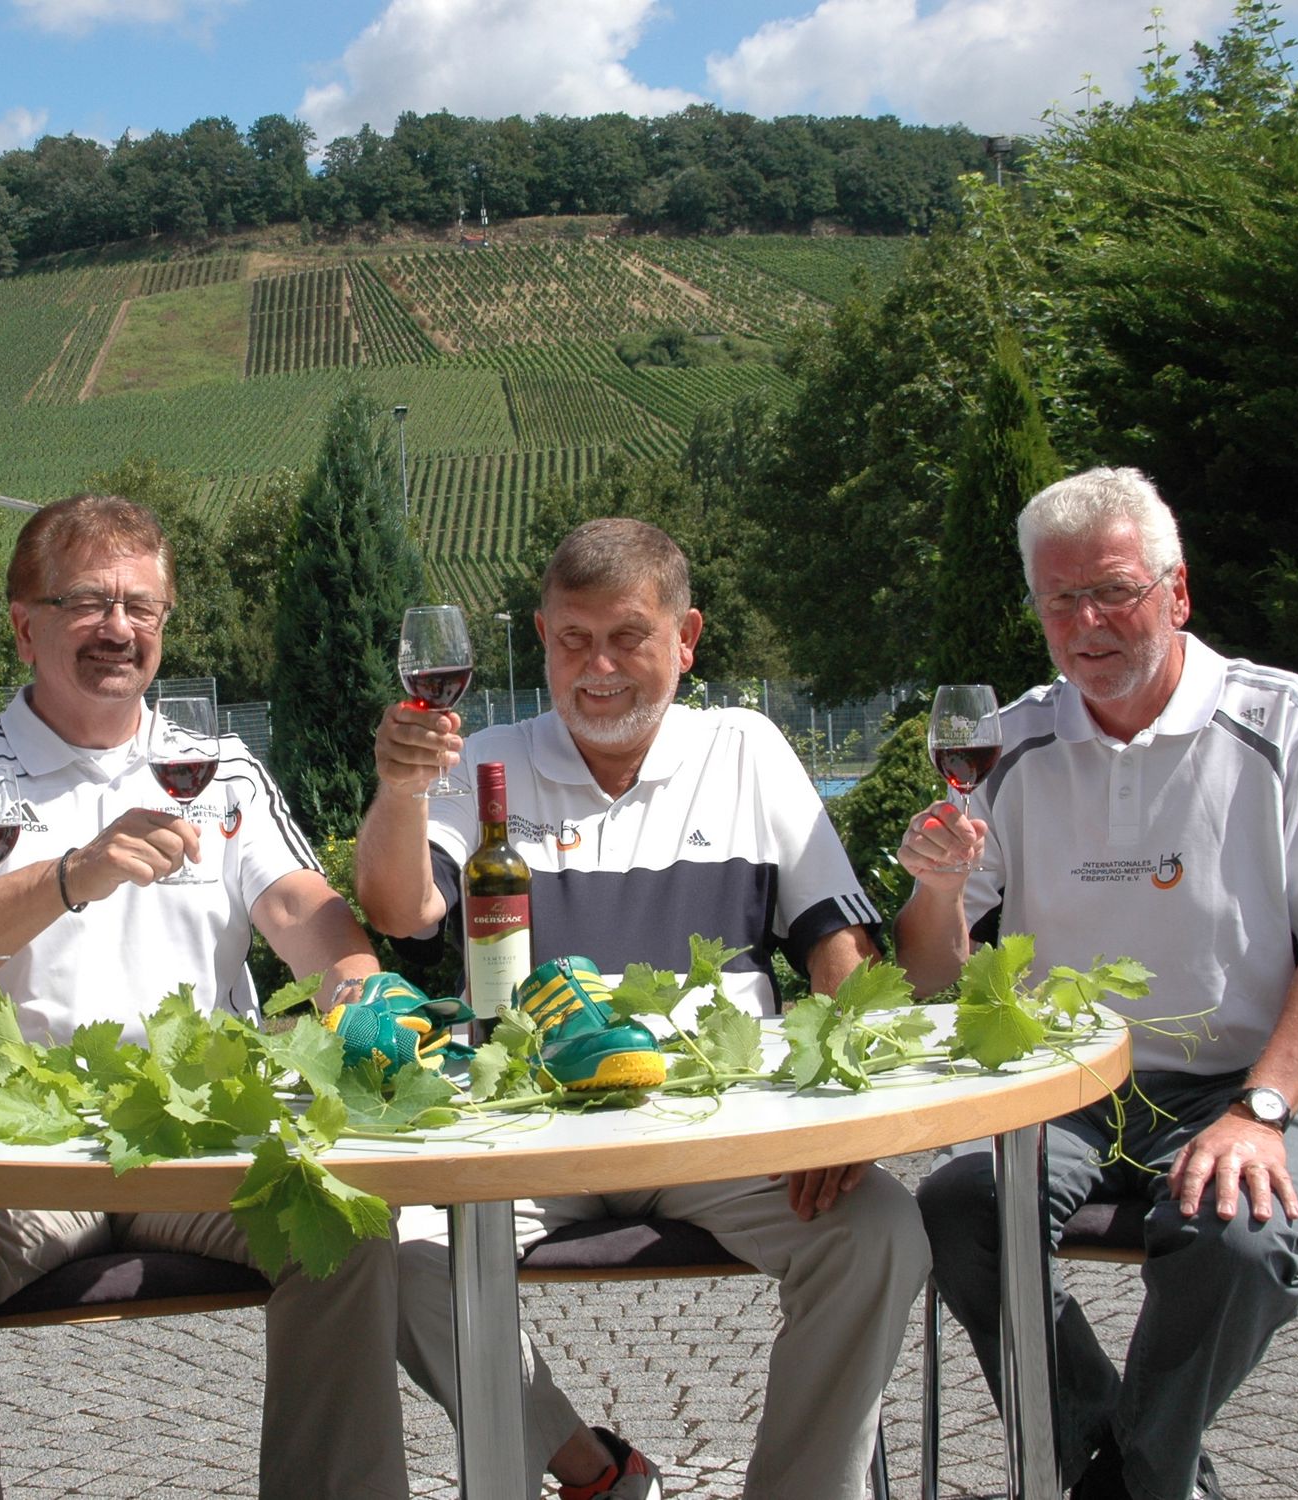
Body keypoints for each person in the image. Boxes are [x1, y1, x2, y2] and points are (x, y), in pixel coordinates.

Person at [354, 516, 929, 1500]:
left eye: (628, 637)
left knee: (880, 1233)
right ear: (543, 637)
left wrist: (844, 1111)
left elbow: (840, 949)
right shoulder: (486, 757)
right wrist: (402, 792)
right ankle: (596, 1474)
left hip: (718, 1122)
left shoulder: (746, 749)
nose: (599, 668)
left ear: (686, 638)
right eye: (574, 640)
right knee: (396, 1259)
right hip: (531, 1129)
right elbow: (399, 911)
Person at [0, 493, 406, 1500]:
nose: (119, 628)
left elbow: (299, 908)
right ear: (24, 624)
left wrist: (359, 989)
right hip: (13, 1152)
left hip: (198, 1142)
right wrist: (70, 876)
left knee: (348, 1230)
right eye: (87, 602)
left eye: (142, 607)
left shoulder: (219, 770)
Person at [895, 467, 1298, 1500]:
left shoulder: (1282, 719)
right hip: (1068, 1091)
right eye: (1059, 600)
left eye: (1113, 591)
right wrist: (939, 889)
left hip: (1249, 1087)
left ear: (1177, 592)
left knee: (1240, 1236)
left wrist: (1263, 1112)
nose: (1086, 623)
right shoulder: (1013, 742)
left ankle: (1130, 1481)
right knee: (960, 1209)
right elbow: (928, 975)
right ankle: (1129, 1465)